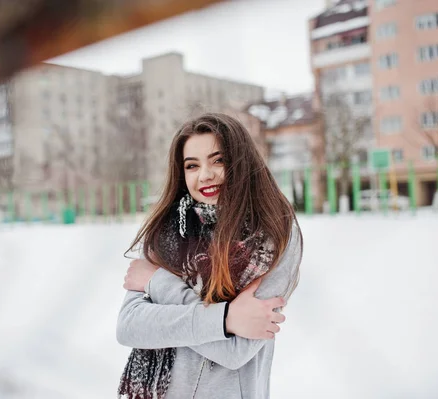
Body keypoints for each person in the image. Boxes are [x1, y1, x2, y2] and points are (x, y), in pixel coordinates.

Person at [116, 113, 303, 399]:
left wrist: (160, 284)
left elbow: (235, 350)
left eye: (218, 160)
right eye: (192, 165)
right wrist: (226, 319)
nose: (205, 175)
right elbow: (130, 326)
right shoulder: (165, 233)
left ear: (241, 163)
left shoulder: (274, 236)